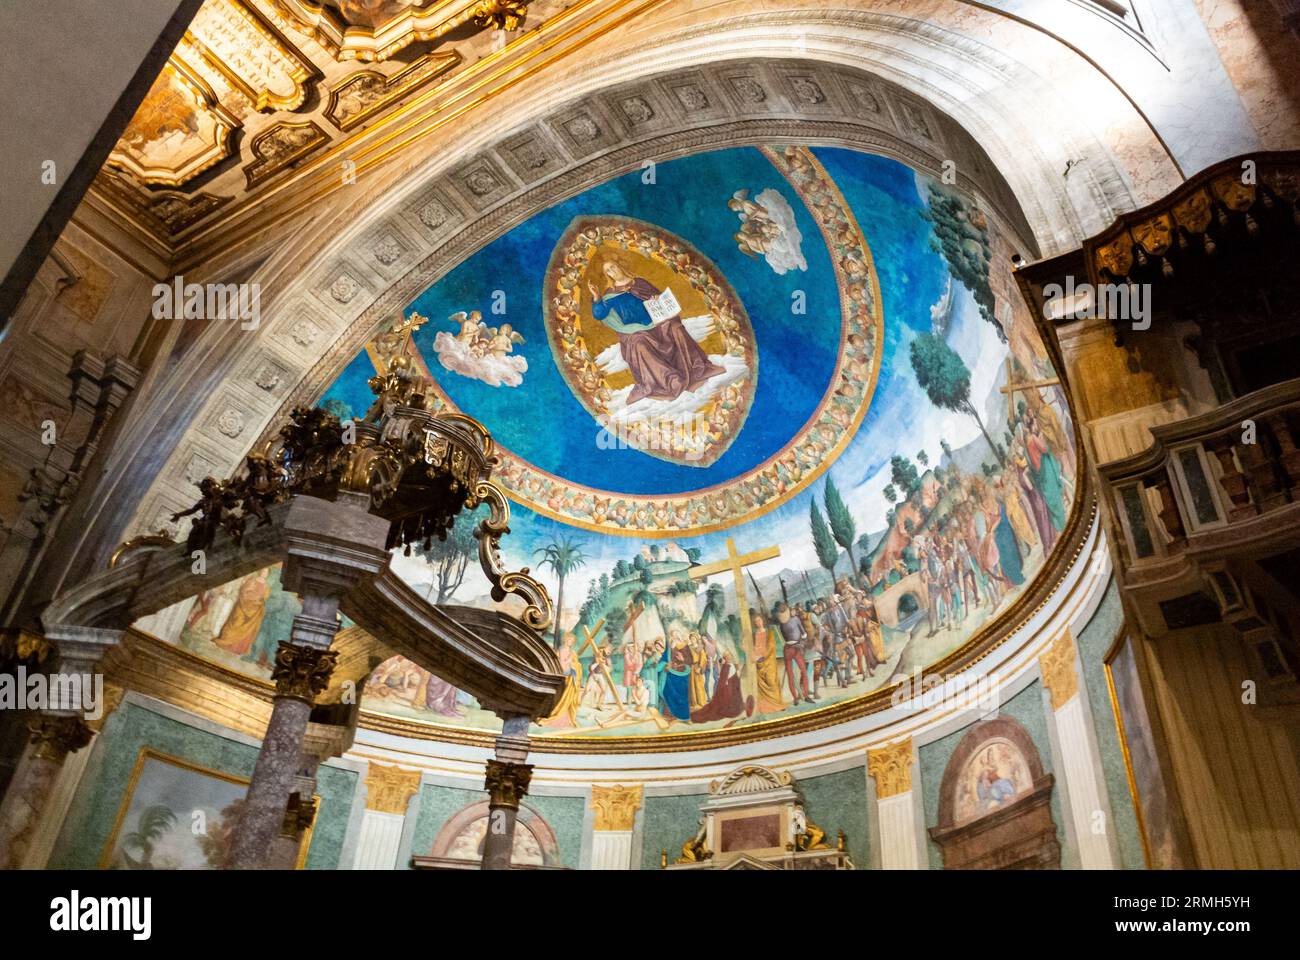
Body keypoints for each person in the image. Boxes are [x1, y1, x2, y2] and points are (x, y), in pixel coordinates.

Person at [587, 260, 726, 405]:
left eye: (613, 266)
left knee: (675, 328)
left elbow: (658, 297)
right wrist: (596, 297)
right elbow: (599, 314)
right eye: (608, 270)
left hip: (657, 322)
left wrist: (655, 298)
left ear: (620, 266)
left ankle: (698, 368)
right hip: (635, 330)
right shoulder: (610, 295)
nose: (612, 271)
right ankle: (671, 380)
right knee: (638, 343)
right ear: (608, 275)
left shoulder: (639, 282)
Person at [775, 601, 812, 705]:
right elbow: (800, 635)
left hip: (796, 648)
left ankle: (805, 695)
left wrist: (802, 643)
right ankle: (796, 698)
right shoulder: (781, 625)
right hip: (789, 649)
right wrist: (801, 642)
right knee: (791, 675)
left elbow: (804, 634)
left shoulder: (794, 620)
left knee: (803, 671)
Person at [750, 612, 785, 714]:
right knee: (761, 683)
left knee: (771, 681)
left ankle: (777, 704)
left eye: (759, 620)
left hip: (769, 661)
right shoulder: (754, 634)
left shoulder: (768, 633)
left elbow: (771, 647)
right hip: (758, 661)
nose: (758, 623)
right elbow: (754, 647)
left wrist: (763, 656)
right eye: (756, 622)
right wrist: (755, 656)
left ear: (763, 621)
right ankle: (767, 706)